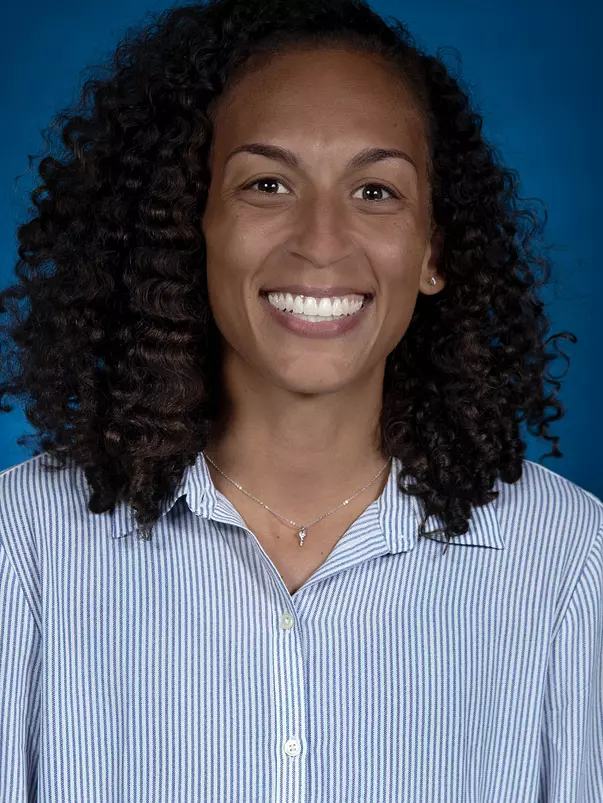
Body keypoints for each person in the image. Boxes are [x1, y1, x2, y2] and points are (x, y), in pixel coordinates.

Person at [0, 0, 601, 800]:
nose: (320, 240)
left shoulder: (564, 558)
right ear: (191, 224)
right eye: (267, 183)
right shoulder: (25, 545)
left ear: (434, 250)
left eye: (376, 191)